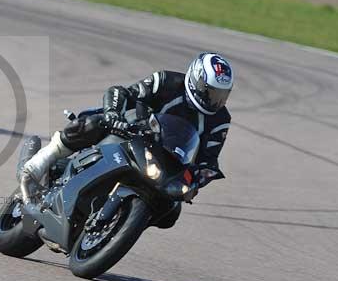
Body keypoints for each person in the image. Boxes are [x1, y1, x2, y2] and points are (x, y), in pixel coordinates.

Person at [20, 52, 234, 228]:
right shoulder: (167, 81)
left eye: (221, 94)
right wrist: (114, 116)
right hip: (129, 131)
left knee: (170, 213)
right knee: (94, 123)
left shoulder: (220, 120)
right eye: (211, 91)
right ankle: (40, 162)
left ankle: (120, 224)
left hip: (166, 160)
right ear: (197, 80)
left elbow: (209, 162)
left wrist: (196, 181)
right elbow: (122, 92)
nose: (215, 99)